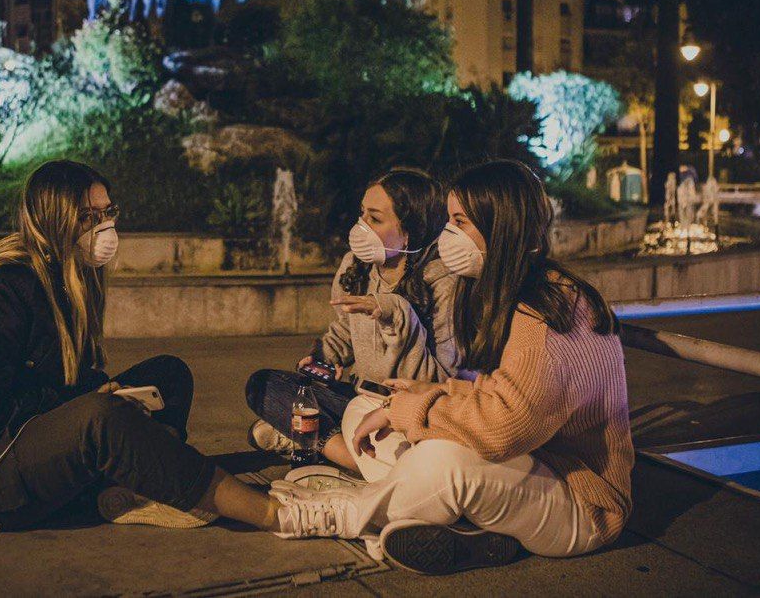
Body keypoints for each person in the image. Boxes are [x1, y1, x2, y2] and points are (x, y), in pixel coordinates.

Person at [269, 160, 634, 576]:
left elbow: (502, 427)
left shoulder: (550, 311)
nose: (448, 234)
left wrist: (407, 408)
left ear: (501, 225)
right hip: (526, 466)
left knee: (443, 460)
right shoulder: (514, 293)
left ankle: (347, 514)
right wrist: (411, 404)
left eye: (460, 221)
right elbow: (496, 392)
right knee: (380, 426)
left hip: (581, 500)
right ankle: (462, 530)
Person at [0, 160, 289, 533]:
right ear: (54, 219)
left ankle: (145, 489)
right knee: (101, 417)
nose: (104, 227)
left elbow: (60, 379)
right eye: (87, 216)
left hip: (24, 445)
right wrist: (80, 403)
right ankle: (276, 514)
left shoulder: (65, 280)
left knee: (168, 375)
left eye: (107, 212)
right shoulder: (0, 290)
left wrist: (94, 391)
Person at [244, 168, 460, 472]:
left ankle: (340, 456)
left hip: (407, 411)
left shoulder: (442, 282)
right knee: (265, 385)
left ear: (411, 228)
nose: (362, 227)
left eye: (375, 218)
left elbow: (443, 380)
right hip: (359, 397)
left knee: (305, 419)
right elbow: (345, 329)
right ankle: (348, 452)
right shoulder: (357, 267)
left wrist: (397, 315)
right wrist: (323, 357)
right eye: (362, 215)